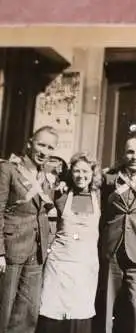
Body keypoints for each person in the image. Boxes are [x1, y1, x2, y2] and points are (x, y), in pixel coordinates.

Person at [95, 134, 136, 333]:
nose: (135, 156)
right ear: (123, 154)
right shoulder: (109, 180)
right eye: (130, 151)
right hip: (112, 249)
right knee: (106, 306)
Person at [0, 125, 59, 333]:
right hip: (11, 247)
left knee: (28, 311)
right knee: (4, 308)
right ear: (29, 144)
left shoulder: (49, 177)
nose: (45, 151)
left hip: (37, 248)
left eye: (50, 147)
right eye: (41, 144)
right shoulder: (9, 169)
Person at [37, 152, 102, 333]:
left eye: (85, 171)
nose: (81, 176)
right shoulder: (61, 196)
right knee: (53, 314)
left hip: (85, 265)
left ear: (93, 173)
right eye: (76, 171)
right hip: (59, 263)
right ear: (70, 173)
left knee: (79, 314)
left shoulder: (99, 196)